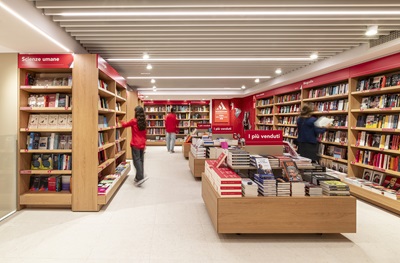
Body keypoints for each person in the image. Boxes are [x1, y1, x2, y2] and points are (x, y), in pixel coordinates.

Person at [120, 106, 148, 186]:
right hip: (142, 144)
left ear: (136, 113)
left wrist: (120, 121)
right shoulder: (144, 122)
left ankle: (140, 177)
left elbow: (125, 125)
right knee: (141, 160)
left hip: (135, 143)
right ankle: (138, 177)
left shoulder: (134, 121)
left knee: (136, 161)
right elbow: (145, 134)